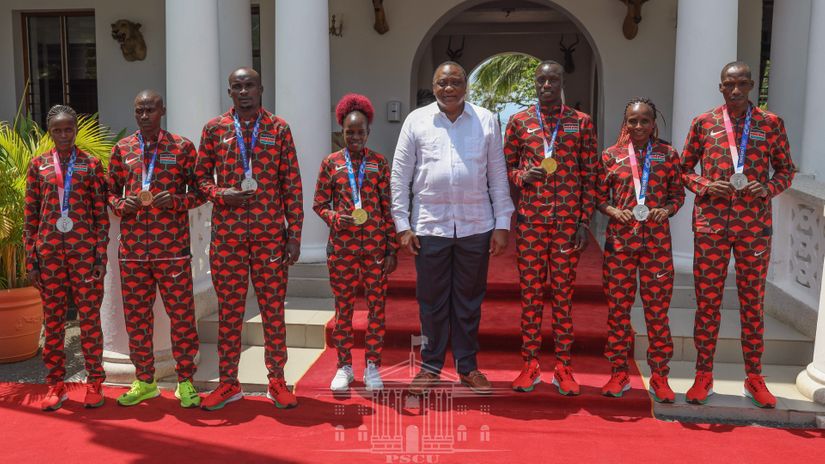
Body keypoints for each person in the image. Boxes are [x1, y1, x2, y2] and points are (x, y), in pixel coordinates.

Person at [391, 61, 514, 396]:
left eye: (455, 82)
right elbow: (400, 176)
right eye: (442, 82)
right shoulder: (417, 121)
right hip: (430, 226)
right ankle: (430, 368)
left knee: (468, 302)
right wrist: (402, 225)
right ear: (433, 86)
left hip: (476, 226)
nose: (449, 88)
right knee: (430, 302)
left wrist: (502, 223)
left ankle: (467, 367)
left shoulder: (486, 120)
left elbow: (497, 176)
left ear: (466, 86)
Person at [680, 61, 795, 408]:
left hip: (754, 227)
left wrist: (769, 187)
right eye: (729, 84)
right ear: (720, 87)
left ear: (751, 85)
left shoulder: (770, 124)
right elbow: (684, 168)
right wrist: (703, 184)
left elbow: (787, 169)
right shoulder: (704, 123)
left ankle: (754, 377)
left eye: (742, 84)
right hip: (711, 225)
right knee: (708, 303)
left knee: (752, 305)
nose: (735, 90)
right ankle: (703, 375)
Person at [195, 67, 303, 410]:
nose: (244, 91)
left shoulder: (278, 128)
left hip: (270, 236)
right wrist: (220, 193)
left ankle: (277, 381)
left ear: (261, 88)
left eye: (249, 85)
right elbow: (198, 179)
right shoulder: (215, 129)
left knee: (273, 311)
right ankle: (229, 384)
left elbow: (293, 185)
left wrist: (294, 235)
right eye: (237, 86)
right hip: (228, 238)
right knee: (230, 312)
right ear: (229, 92)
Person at [503, 60, 598, 395]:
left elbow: (591, 175)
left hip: (567, 224)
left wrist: (584, 220)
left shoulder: (580, 123)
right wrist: (521, 176)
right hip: (530, 222)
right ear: (535, 83)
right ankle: (530, 365)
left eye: (552, 79)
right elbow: (506, 167)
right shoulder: (519, 122)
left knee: (563, 297)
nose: (546, 85)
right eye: (541, 80)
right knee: (530, 297)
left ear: (561, 82)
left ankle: (563, 367)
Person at [108, 90, 204, 408]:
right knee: (136, 319)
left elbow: (201, 190)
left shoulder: (182, 147)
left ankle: (186, 381)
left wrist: (177, 201)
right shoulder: (123, 149)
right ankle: (144, 381)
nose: (145, 114)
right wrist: (123, 204)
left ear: (163, 110)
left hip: (172, 251)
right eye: (139, 110)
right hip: (133, 252)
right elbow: (109, 192)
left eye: (150, 109)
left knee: (182, 318)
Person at [596, 97, 684, 402]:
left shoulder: (668, 154)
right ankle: (619, 373)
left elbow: (678, 193)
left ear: (653, 122)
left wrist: (667, 209)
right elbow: (597, 195)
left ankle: (660, 376)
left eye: (644, 120)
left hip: (657, 245)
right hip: (620, 244)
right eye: (632, 121)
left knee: (657, 314)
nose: (638, 126)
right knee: (618, 313)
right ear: (625, 123)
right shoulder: (611, 156)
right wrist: (611, 211)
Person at [24, 105, 109, 411]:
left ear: (75, 130)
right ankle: (56, 385)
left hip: (84, 253)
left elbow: (101, 215)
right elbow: (30, 216)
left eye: (68, 129)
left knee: (89, 320)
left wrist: (101, 257)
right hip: (48, 255)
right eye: (57, 130)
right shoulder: (38, 166)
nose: (63, 134)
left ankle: (95, 383)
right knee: (55, 322)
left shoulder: (91, 164)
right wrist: (30, 260)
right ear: (50, 132)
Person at [313, 94, 398, 392]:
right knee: (344, 309)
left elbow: (388, 208)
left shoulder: (379, 163)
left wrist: (391, 248)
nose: (355, 136)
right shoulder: (331, 164)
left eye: (360, 131)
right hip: (342, 250)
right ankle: (344, 367)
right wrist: (337, 218)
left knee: (377, 309)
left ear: (368, 132)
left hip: (375, 249)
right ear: (342, 132)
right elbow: (319, 204)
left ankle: (373, 366)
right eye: (350, 132)